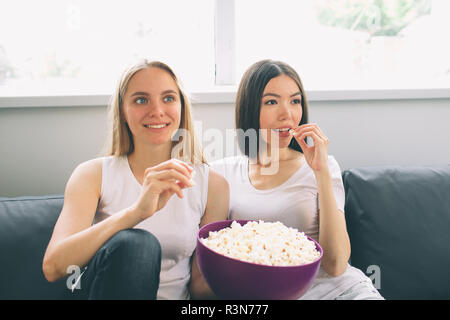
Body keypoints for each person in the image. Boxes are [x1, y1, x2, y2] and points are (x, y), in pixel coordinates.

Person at [42, 60, 228, 300]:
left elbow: (201, 287)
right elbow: (54, 267)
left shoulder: (213, 185)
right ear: (123, 111)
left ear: (182, 107)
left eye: (169, 98)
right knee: (137, 244)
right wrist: (135, 213)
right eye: (141, 100)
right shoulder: (91, 175)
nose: (157, 111)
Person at [211, 59, 383, 300]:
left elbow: (335, 265)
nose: (288, 114)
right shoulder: (223, 173)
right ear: (250, 108)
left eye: (295, 101)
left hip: (343, 291)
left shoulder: (323, 166)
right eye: (271, 102)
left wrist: (321, 173)